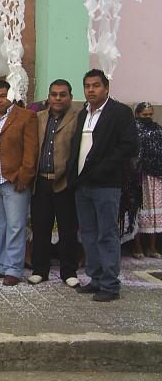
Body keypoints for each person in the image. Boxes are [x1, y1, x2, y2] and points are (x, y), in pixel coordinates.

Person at [67, 69, 138, 302]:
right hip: (82, 185)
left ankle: (110, 285)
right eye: (87, 86)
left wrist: (101, 169)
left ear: (106, 88)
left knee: (107, 234)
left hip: (106, 184)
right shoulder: (82, 114)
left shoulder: (120, 113)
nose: (91, 90)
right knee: (88, 233)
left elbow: (128, 147)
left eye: (96, 85)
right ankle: (95, 278)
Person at [0, 80, 38, 286]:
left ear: (10, 95)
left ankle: (14, 269)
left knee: (16, 226)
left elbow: (31, 150)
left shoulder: (26, 116)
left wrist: (25, 176)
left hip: (14, 181)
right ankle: (2, 266)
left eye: (2, 96)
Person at [28, 79, 82, 287]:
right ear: (49, 97)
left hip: (64, 182)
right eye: (54, 94)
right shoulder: (39, 118)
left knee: (68, 230)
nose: (58, 98)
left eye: (62, 94)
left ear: (70, 96)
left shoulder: (78, 118)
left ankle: (69, 271)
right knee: (40, 228)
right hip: (41, 181)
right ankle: (39, 270)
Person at [132, 102, 162, 259]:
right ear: (137, 114)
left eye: (150, 114)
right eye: (145, 115)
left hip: (155, 177)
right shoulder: (133, 129)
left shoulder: (158, 130)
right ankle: (137, 247)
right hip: (139, 177)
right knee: (138, 212)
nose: (148, 117)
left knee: (155, 213)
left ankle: (152, 247)